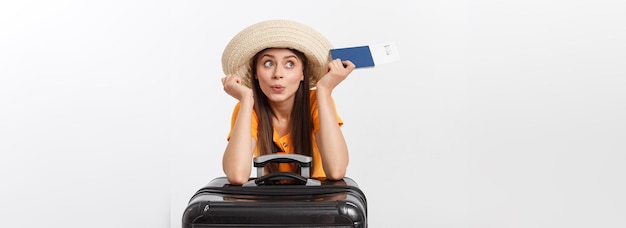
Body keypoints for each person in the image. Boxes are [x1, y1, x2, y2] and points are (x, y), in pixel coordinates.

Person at [220, 20, 355, 185]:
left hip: (317, 205)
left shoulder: (317, 102)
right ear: (255, 72)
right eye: (268, 63)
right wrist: (246, 99)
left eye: (290, 64)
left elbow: (336, 170)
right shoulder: (248, 108)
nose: (278, 74)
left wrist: (325, 91)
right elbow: (236, 176)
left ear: (303, 73)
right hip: (268, 206)